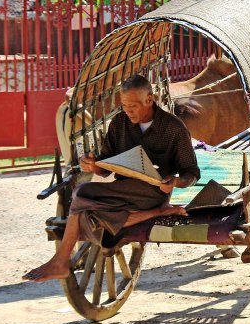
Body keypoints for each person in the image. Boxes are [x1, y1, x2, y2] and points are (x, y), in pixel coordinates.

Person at [23, 74, 200, 282]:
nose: (128, 111)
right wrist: (94, 165)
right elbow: (106, 166)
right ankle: (156, 214)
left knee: (82, 194)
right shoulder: (119, 123)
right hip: (121, 191)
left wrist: (176, 182)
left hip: (151, 193)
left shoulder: (174, 128)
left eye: (133, 106)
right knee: (86, 212)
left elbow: (192, 172)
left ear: (149, 100)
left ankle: (61, 260)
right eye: (124, 105)